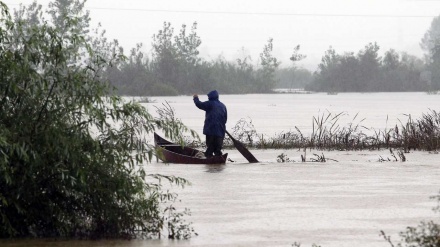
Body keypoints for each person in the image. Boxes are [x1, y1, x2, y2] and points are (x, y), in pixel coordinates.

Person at [193, 90, 227, 158]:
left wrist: (195, 98)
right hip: (220, 130)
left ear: (210, 97)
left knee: (210, 148)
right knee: (218, 149)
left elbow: (199, 104)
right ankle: (218, 161)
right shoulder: (223, 106)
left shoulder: (210, 104)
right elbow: (225, 119)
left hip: (210, 129)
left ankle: (209, 159)